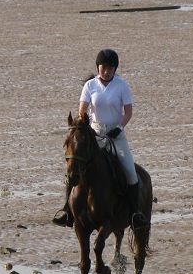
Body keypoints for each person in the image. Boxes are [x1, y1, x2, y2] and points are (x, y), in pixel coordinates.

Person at [53, 49, 148, 229]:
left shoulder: (122, 85)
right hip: (94, 133)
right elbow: (82, 109)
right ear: (98, 67)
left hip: (116, 133)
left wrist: (119, 128)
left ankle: (135, 214)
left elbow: (128, 112)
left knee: (130, 171)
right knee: (74, 166)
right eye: (103, 67)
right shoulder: (90, 86)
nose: (106, 71)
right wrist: (83, 124)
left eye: (110, 68)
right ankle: (67, 210)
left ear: (115, 69)